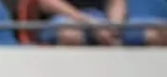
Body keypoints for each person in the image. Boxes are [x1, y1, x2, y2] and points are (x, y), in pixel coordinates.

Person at [37, 0, 167, 47]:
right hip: (69, 18)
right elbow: (47, 3)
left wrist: (113, 27)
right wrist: (88, 22)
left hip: (103, 21)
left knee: (159, 31)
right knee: (70, 33)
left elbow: (117, 3)